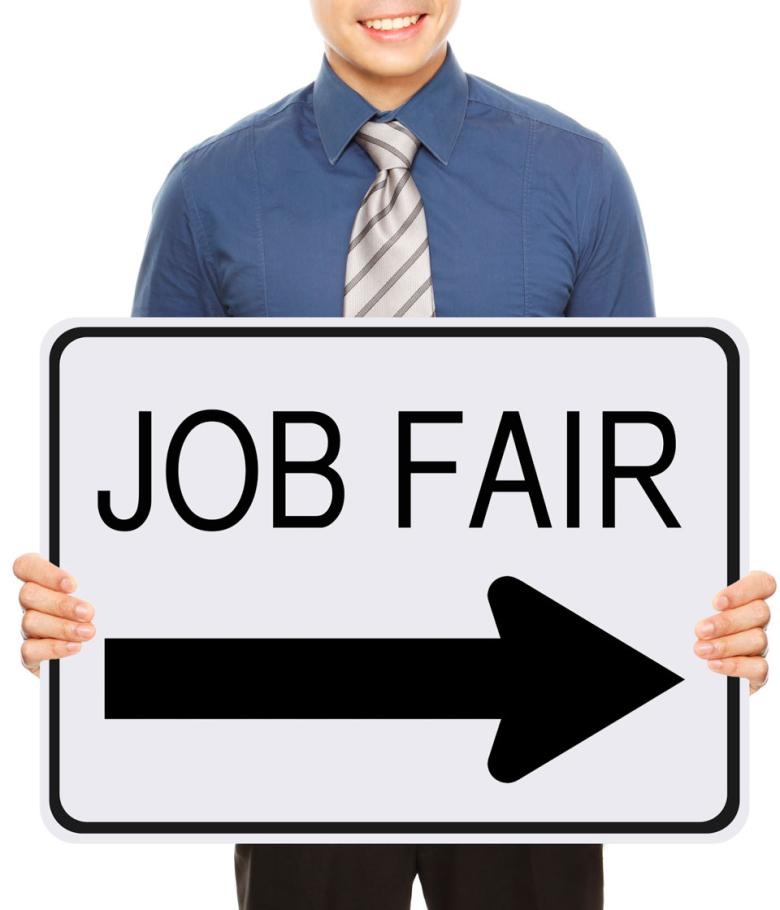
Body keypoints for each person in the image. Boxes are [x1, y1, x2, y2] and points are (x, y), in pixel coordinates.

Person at [13, 2, 775, 908]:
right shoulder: (211, 191)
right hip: (303, 736)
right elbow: (151, 482)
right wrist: (86, 624)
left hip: (534, 746)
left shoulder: (577, 177)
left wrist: (705, 627)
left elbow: (638, 483)